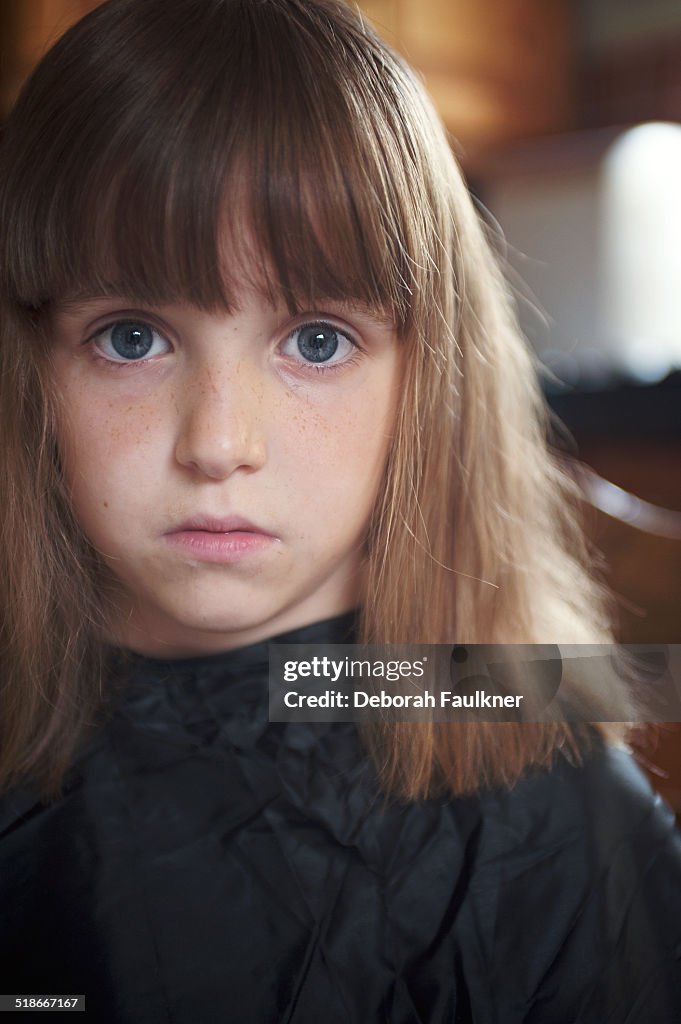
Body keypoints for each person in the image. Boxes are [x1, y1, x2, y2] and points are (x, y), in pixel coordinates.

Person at [0, 0, 679, 1020]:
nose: (221, 443)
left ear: (427, 382)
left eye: (315, 341)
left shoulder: (554, 804)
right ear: (29, 370)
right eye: (132, 337)